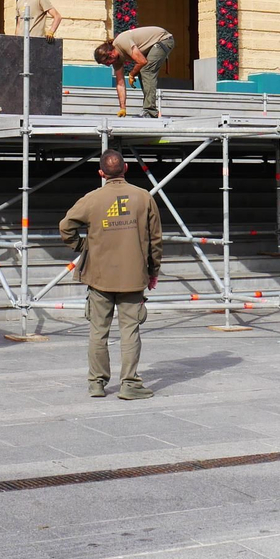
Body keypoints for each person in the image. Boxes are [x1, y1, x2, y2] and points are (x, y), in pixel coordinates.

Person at [59, 150, 163, 401]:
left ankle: (96, 383)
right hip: (133, 275)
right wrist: (153, 271)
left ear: (101, 173)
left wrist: (82, 246)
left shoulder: (92, 199)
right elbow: (156, 241)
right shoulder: (144, 197)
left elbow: (65, 226)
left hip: (99, 275)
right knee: (130, 331)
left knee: (98, 331)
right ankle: (129, 384)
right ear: (126, 168)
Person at [94, 26, 175, 119]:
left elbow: (142, 61)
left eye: (106, 63)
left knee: (146, 70)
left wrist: (132, 74)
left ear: (110, 54)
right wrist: (122, 108)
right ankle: (148, 110)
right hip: (154, 44)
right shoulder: (116, 60)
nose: (108, 65)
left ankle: (150, 111)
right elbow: (120, 84)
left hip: (163, 39)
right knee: (143, 71)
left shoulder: (122, 42)